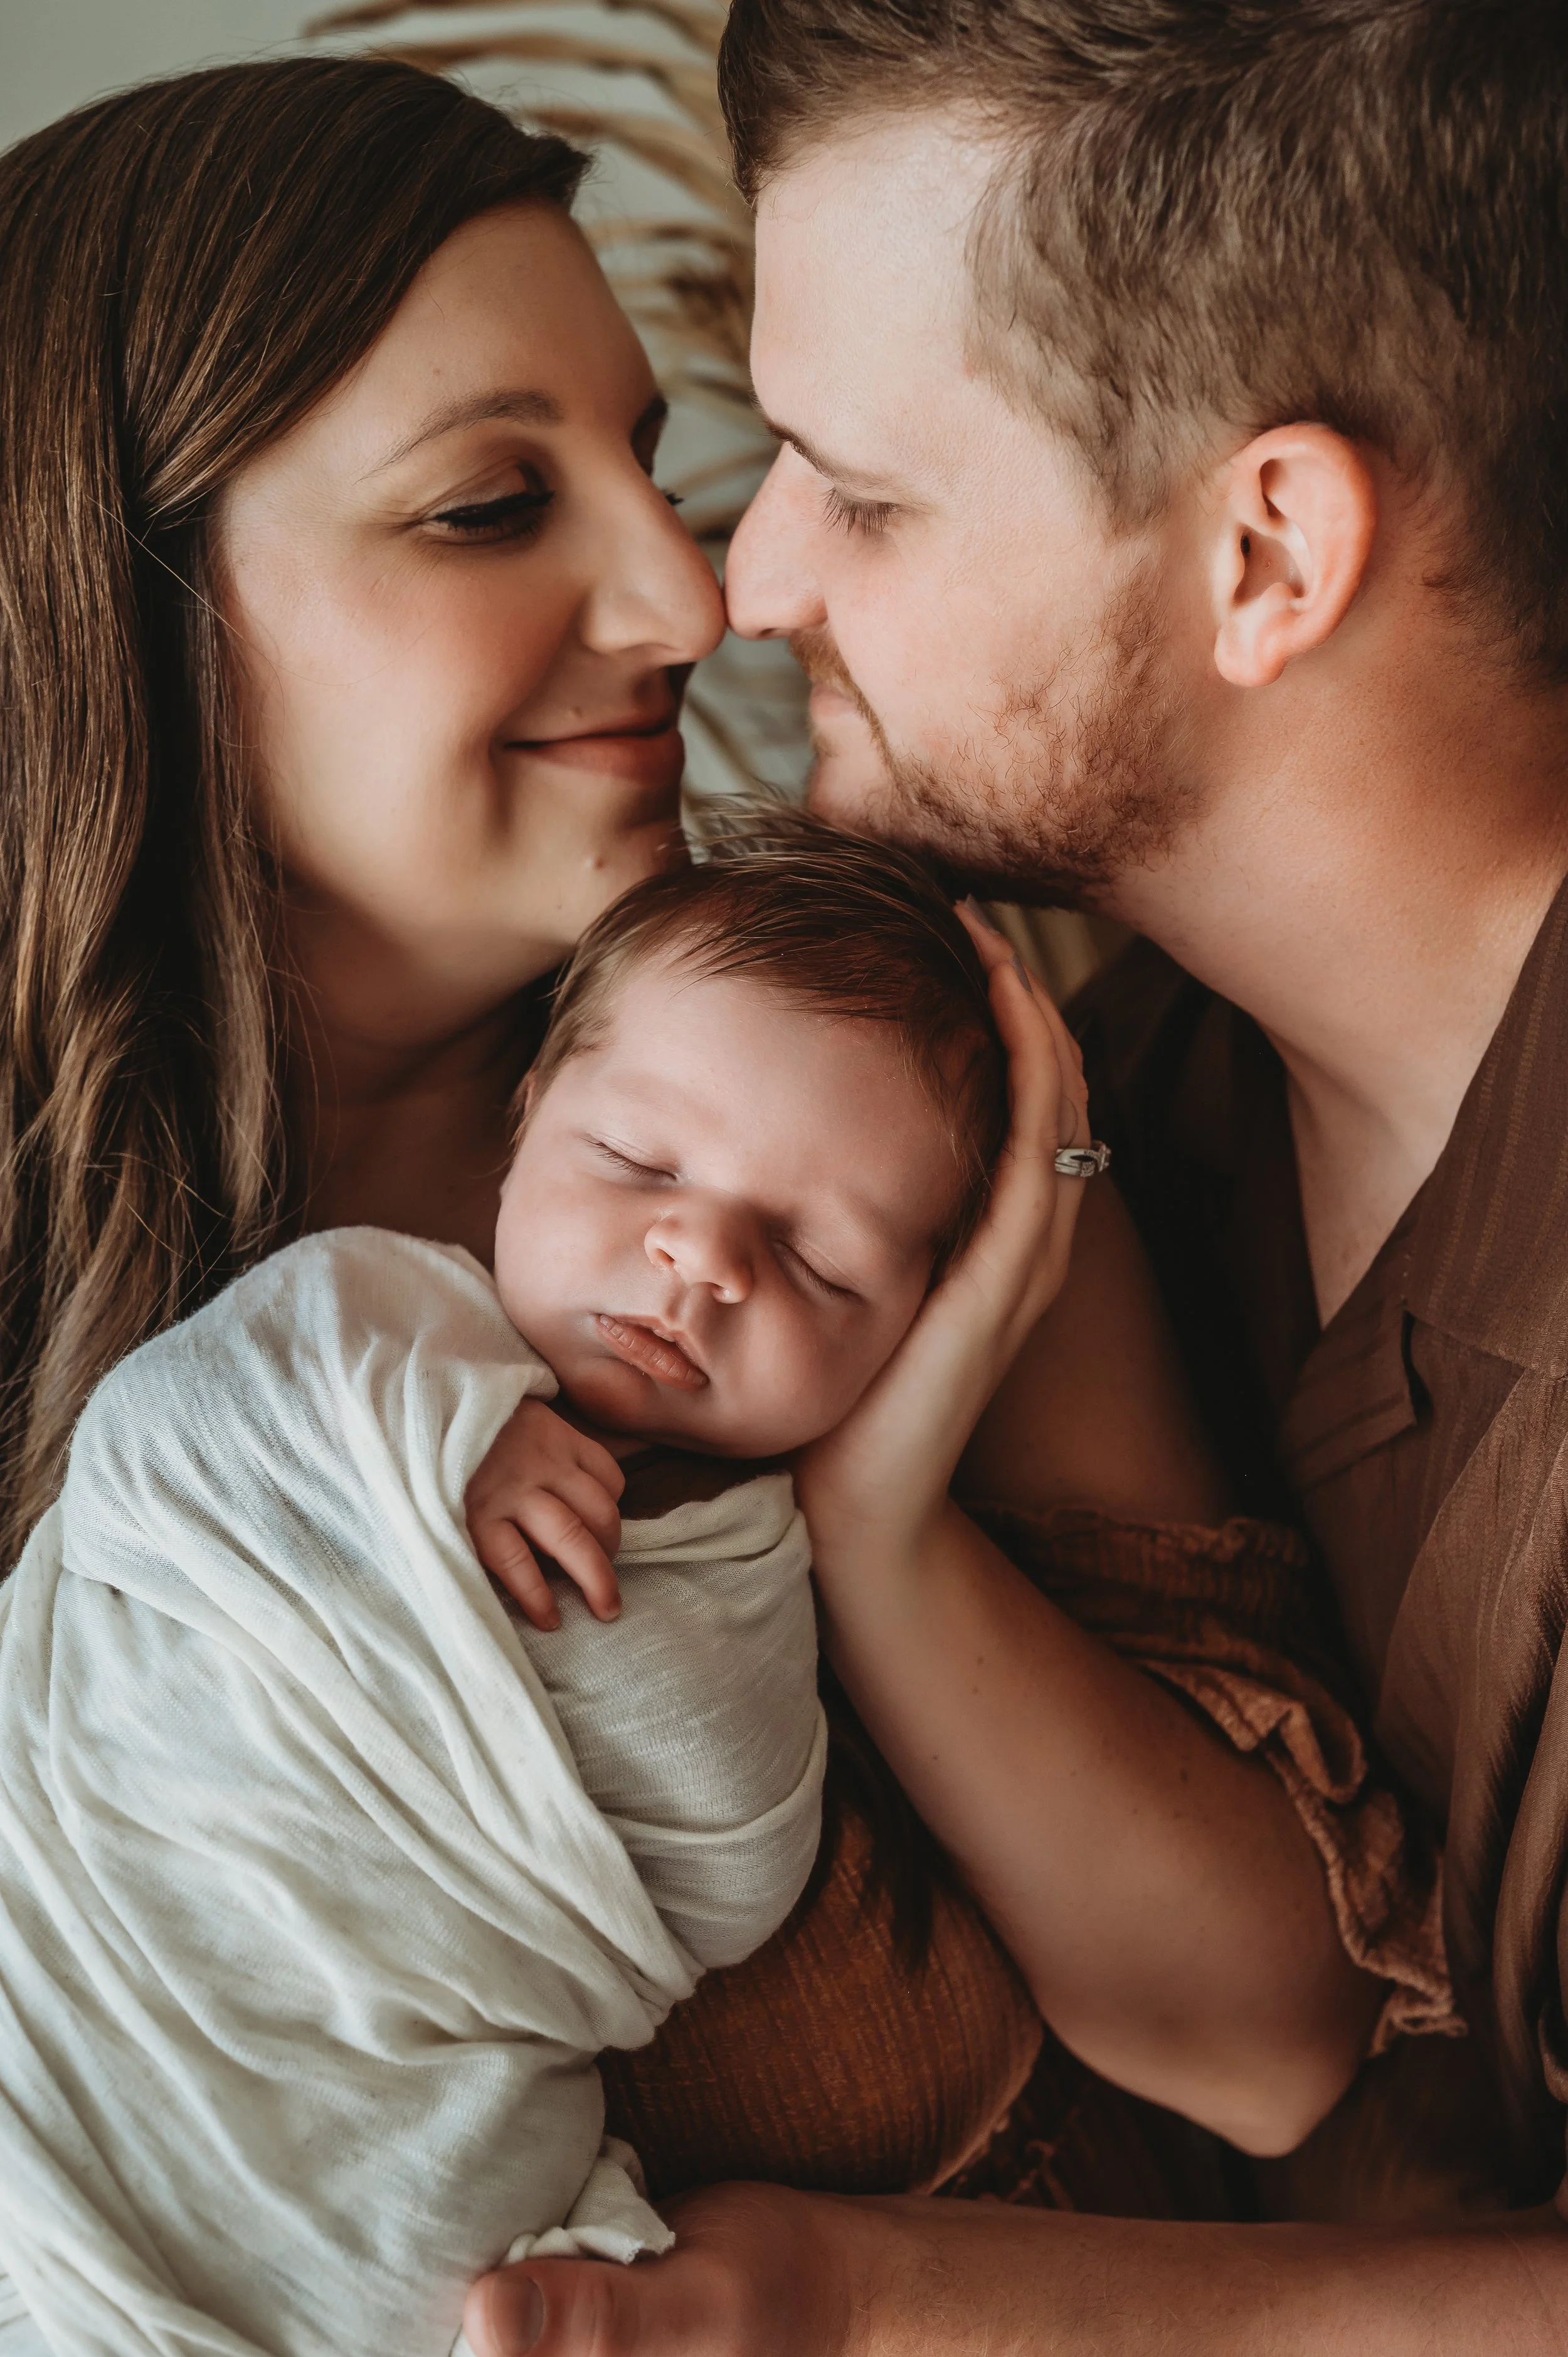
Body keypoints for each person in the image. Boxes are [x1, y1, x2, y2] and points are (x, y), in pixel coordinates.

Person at [1, 50, 1346, 2353]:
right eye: (485, 506)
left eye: (643, 454)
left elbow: (1272, 2042)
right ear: (127, 609)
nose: (688, 590)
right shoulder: (89, 1345)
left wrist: (879, 1525)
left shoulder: (849, 1110)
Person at [462, 1, 1568, 2351]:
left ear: (1267, 548)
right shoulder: (1104, 1095)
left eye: (856, 486)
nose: (749, 585)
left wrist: (878, 2298)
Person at [0, 821, 1081, 2357]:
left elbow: (729, 1872)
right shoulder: (361, 1322)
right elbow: (156, 1452)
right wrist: (436, 1446)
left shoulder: (756, 1593)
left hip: (386, 2116)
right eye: (636, 1162)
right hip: (84, 1943)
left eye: (817, 1260)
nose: (697, 1254)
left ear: (917, 1322)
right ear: (527, 1116)